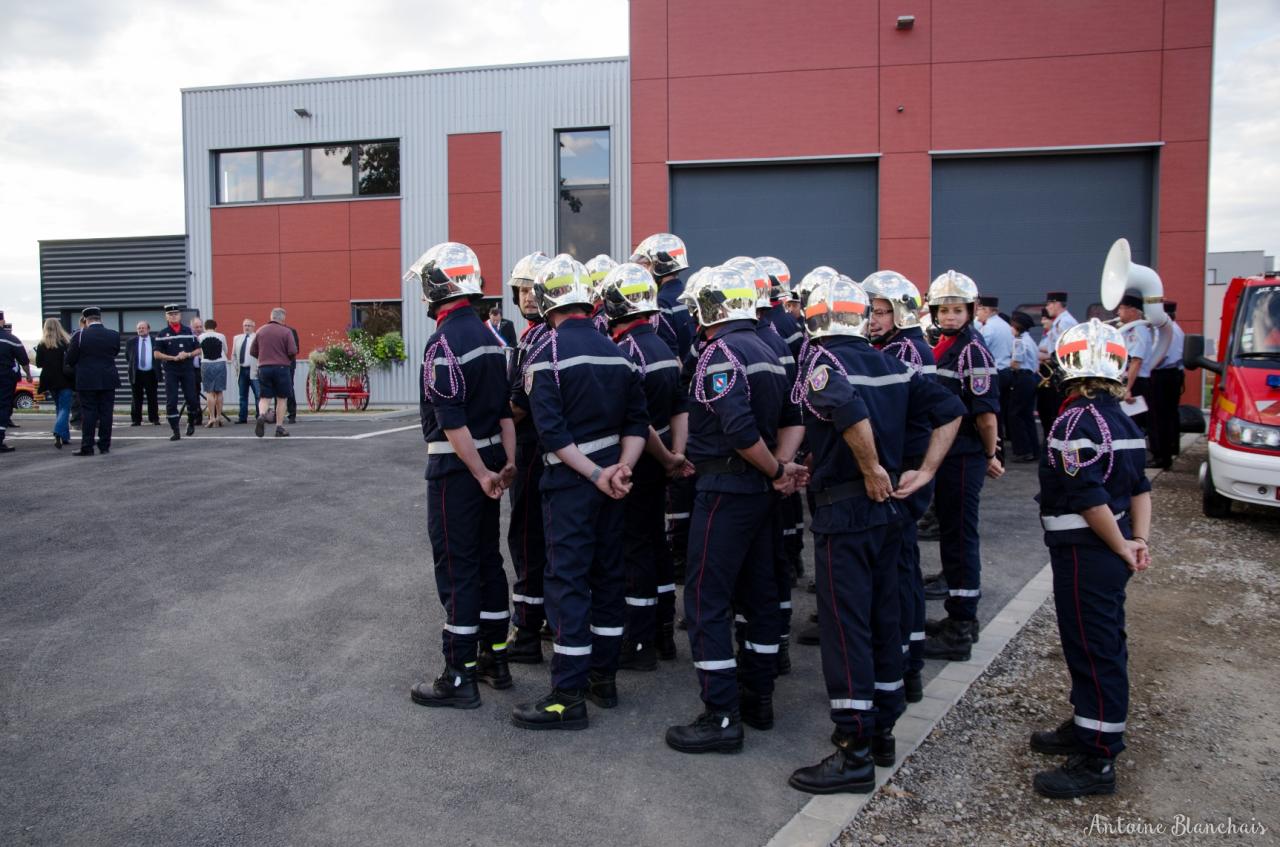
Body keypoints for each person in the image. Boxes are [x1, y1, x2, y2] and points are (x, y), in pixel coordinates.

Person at [788, 272, 961, 794]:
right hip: (891, 517)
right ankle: (882, 731)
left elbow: (850, 413)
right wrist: (925, 471)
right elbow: (951, 412)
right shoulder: (891, 362)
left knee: (846, 630)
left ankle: (853, 748)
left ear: (816, 318)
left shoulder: (822, 361)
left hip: (849, 513)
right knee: (886, 620)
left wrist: (868, 468)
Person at [665, 265, 805, 754]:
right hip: (762, 491)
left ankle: (721, 714)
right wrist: (782, 468)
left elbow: (740, 429)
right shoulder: (773, 348)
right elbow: (794, 416)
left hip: (728, 486)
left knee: (705, 599)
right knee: (761, 593)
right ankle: (758, 698)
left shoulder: (719, 353)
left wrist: (772, 470)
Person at [512, 253, 649, 730]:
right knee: (609, 576)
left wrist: (593, 475)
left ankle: (566, 694)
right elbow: (637, 421)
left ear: (548, 300)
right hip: (616, 481)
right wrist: (621, 471)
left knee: (568, 581)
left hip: (573, 484)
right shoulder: (618, 349)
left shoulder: (544, 351)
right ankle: (602, 678)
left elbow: (550, 431)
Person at [1031, 318, 1151, 799]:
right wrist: (1136, 539)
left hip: (1086, 550)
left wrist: (1122, 545)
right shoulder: (1124, 416)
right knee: (1097, 642)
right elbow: (1140, 487)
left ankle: (1098, 756)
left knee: (1092, 646)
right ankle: (1087, 726)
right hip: (1110, 548)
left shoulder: (1072, 419)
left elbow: (1087, 496)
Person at [405, 242, 517, 710]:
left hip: (457, 468)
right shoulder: (494, 337)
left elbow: (451, 420)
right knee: (489, 561)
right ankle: (495, 660)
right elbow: (508, 413)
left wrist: (477, 472)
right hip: (492, 460)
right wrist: (504, 466)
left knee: (456, 565)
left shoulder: (443, 343)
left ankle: (458, 673)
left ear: (437, 288)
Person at [862, 269, 961, 702]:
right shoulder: (903, 345)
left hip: (904, 466)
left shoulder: (904, 348)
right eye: (873, 312)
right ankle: (908, 662)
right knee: (902, 569)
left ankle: (907, 665)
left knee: (901, 572)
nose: (875, 320)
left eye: (884, 312)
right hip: (905, 465)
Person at [600, 261, 690, 670]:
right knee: (656, 545)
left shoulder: (626, 351)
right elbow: (679, 408)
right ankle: (663, 632)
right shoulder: (664, 349)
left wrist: (666, 455)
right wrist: (678, 453)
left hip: (637, 462)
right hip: (662, 461)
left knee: (634, 548)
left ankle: (638, 643)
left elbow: (639, 421)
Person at [921, 271, 1004, 662]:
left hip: (964, 454)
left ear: (971, 310)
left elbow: (986, 414)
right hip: (950, 454)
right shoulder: (946, 344)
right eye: (944, 309)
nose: (950, 315)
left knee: (960, 539)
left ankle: (962, 625)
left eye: (957, 309)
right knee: (951, 537)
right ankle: (957, 614)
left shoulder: (972, 349)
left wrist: (989, 455)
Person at [505, 252, 554, 664]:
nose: (528, 297)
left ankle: (526, 631)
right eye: (522, 289)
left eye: (535, 290)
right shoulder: (535, 334)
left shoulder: (538, 339)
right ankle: (548, 619)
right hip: (544, 446)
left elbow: (520, 402)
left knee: (525, 536)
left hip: (532, 446)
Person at [64, 307, 121, 456]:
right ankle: (104, 445)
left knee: (88, 413)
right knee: (106, 413)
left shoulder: (80, 335)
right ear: (100, 318)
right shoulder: (113, 334)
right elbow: (114, 352)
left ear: (85, 320)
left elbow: (70, 360)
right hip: (108, 378)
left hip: (87, 379)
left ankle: (87, 446)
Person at [153, 304, 200, 441]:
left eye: (176, 314)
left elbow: (198, 350)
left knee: (192, 399)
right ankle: (175, 430)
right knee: (171, 401)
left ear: (180, 315)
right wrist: (172, 357)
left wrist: (188, 354)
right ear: (166, 316)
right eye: (171, 314)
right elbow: (156, 354)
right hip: (171, 371)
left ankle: (191, 422)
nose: (174, 316)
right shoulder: (162, 334)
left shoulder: (188, 331)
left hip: (187, 370)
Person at [249, 308, 298, 438]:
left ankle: (262, 415)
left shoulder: (260, 330)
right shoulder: (286, 331)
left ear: (271, 317)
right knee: (282, 398)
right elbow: (293, 351)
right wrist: (288, 360)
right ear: (282, 319)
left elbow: (252, 351)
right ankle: (279, 427)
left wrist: (263, 357)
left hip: (264, 368)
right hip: (281, 368)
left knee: (265, 397)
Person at [1147, 302, 1185, 470]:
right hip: (1174, 374)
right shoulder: (1177, 329)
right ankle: (1171, 447)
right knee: (1170, 415)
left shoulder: (1166, 331)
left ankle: (1161, 456)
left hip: (1162, 375)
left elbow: (1161, 356)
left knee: (1159, 417)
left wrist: (1146, 365)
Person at [976, 295, 1015, 455]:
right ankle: (1000, 450)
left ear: (986, 310)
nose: (977, 313)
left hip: (995, 373)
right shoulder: (1005, 325)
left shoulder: (989, 328)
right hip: (1006, 371)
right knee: (1001, 412)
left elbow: (979, 349)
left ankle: (994, 451)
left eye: (979, 309)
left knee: (990, 414)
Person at [1037, 292, 1078, 441]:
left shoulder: (1065, 322)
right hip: (1056, 368)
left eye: (1049, 304)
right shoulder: (1059, 322)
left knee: (1060, 407)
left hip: (1063, 369)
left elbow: (1066, 349)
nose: (1047, 307)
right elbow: (1051, 348)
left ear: (1056, 304)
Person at [1115, 293, 1153, 434]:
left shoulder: (1139, 331)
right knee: (1123, 424)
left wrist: (1127, 388)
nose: (1118, 312)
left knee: (1133, 424)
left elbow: (1136, 361)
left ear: (1133, 310)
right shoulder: (1127, 330)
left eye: (1122, 308)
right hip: (1126, 380)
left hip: (1136, 382)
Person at [1007, 312, 1041, 462]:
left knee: (1015, 414)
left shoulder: (1019, 341)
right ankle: (1034, 449)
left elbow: (1016, 363)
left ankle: (1023, 450)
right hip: (1031, 378)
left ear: (1016, 326)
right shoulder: (1030, 340)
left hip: (1022, 378)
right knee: (1027, 415)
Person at [34, 318, 74, 449]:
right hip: (65, 379)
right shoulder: (66, 342)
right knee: (65, 408)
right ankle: (58, 431)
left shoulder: (42, 345)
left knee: (59, 407)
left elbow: (39, 364)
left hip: (49, 380)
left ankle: (65, 436)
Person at [0, 319, 32, 454]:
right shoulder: (11, 339)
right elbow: (24, 360)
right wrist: (28, 375)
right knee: (3, 406)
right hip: (4, 378)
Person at [126, 321, 161, 426]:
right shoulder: (131, 342)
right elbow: (128, 357)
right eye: (139, 328)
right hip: (137, 373)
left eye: (143, 328)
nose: (141, 330)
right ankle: (136, 419)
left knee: (152, 397)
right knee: (136, 397)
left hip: (151, 373)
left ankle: (154, 418)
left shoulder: (155, 341)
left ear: (148, 329)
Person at [199, 319, 229, 427]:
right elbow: (225, 350)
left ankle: (211, 417)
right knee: (219, 392)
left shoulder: (200, 337)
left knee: (209, 392)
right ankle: (219, 417)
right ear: (215, 327)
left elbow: (199, 352)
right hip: (220, 363)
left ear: (204, 327)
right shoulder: (221, 336)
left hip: (206, 364)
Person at [231, 319, 260, 424]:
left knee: (258, 394)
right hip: (242, 370)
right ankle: (242, 418)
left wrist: (258, 368)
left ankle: (259, 416)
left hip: (254, 370)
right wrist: (236, 367)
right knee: (243, 395)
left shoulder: (257, 337)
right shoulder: (237, 338)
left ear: (253, 327)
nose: (246, 327)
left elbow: (260, 354)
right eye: (245, 325)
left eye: (249, 325)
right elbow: (233, 355)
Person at [190, 316, 205, 426]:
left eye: (200, 326)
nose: (199, 329)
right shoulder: (188, 338)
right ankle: (196, 417)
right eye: (196, 327)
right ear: (191, 327)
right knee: (194, 393)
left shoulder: (206, 336)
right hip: (192, 369)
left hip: (205, 367)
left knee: (212, 391)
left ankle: (213, 416)